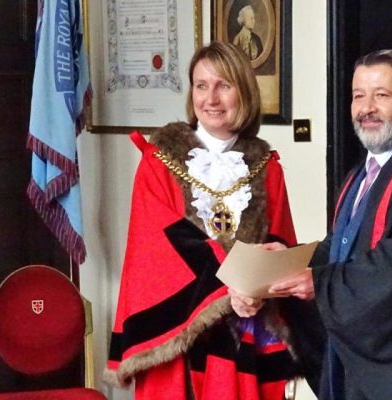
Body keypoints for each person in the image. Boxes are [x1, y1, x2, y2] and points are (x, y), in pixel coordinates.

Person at [231, 49, 392, 399]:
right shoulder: (364, 174)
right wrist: (287, 262)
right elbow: (341, 250)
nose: (366, 107)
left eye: (381, 95)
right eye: (358, 96)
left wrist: (319, 282)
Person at [104, 41, 299, 400]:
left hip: (247, 330)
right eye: (201, 85)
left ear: (244, 91)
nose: (211, 99)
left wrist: (257, 290)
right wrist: (229, 289)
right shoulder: (158, 164)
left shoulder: (268, 168)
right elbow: (158, 247)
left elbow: (281, 244)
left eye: (224, 85)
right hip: (179, 335)